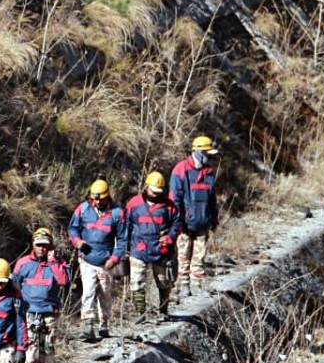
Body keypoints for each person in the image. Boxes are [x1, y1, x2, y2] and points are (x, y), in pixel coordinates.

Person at [12, 227, 70, 363]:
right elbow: (15, 284)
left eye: (45, 245)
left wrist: (53, 263)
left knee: (48, 347)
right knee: (31, 345)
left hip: (50, 312)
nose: (41, 248)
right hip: (29, 312)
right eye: (38, 245)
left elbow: (64, 280)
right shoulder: (23, 263)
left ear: (50, 246)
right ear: (33, 244)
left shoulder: (58, 263)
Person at [67, 179, 127, 341]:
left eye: (100, 199)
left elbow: (122, 240)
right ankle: (88, 324)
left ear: (107, 197)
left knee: (105, 293)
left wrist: (115, 258)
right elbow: (72, 229)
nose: (97, 201)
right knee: (88, 291)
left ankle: (104, 323)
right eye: (94, 198)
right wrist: (77, 241)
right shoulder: (83, 209)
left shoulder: (117, 214)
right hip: (87, 260)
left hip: (106, 262)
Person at [125, 172, 181, 323]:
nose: (156, 194)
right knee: (136, 282)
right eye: (153, 191)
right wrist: (125, 246)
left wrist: (169, 238)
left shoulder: (169, 206)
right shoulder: (133, 204)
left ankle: (163, 310)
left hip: (162, 250)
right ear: (146, 186)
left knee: (164, 282)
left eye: (159, 192)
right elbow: (126, 225)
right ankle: (140, 313)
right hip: (139, 248)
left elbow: (177, 223)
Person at [169, 136, 220, 298]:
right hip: (184, 223)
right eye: (207, 153)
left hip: (203, 221)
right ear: (198, 152)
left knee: (200, 255)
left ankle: (196, 283)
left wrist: (214, 218)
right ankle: (183, 284)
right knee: (183, 254)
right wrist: (177, 221)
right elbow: (174, 199)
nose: (209, 157)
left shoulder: (209, 172)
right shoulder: (181, 169)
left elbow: (212, 198)